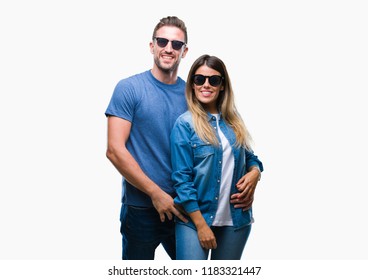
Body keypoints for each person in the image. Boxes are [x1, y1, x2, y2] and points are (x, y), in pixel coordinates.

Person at [105, 16, 260, 260]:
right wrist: (156, 194)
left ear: (184, 51)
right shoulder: (129, 88)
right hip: (142, 205)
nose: (169, 48)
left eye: (176, 44)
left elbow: (230, 143)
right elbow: (115, 150)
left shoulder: (194, 93)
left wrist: (254, 171)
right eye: (162, 41)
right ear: (152, 45)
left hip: (185, 208)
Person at [170, 54, 264, 260]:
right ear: (192, 85)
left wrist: (255, 173)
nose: (206, 85)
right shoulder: (184, 124)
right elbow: (181, 179)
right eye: (199, 79)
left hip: (236, 221)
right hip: (195, 221)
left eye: (213, 80)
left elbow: (250, 158)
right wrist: (201, 226)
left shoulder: (234, 121)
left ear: (222, 85)